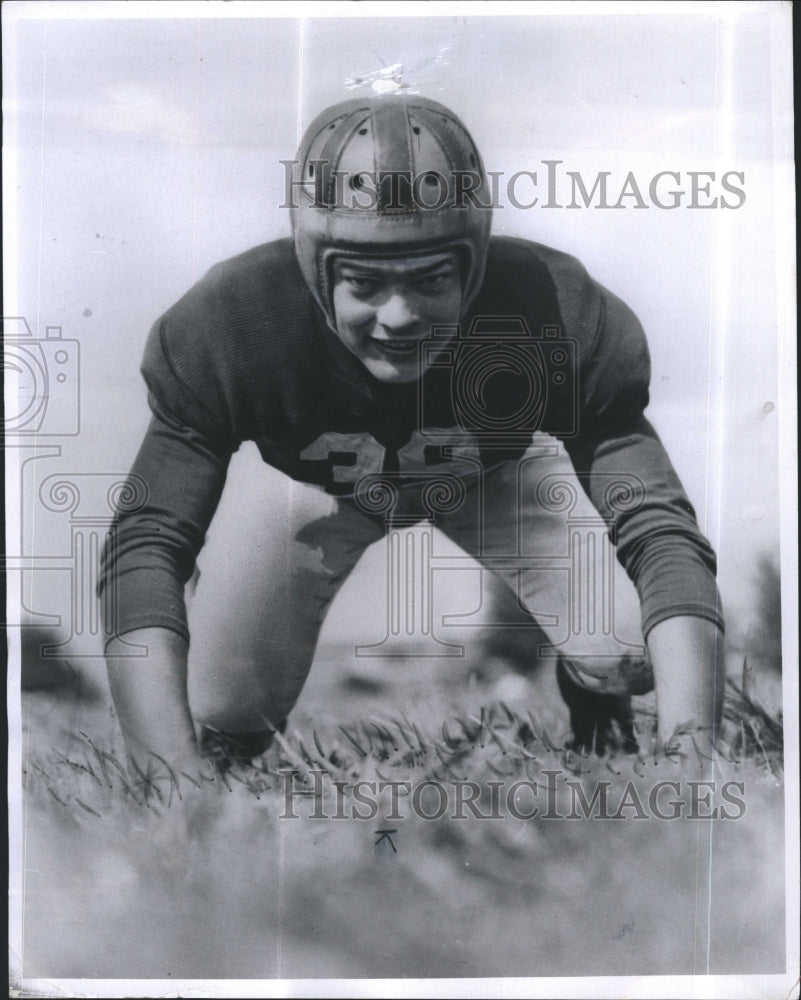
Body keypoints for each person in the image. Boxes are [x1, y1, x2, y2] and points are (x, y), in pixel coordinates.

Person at [99, 95, 725, 779]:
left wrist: (692, 757)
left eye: (430, 279)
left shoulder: (550, 308)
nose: (399, 317)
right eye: (364, 283)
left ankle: (597, 705)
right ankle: (232, 745)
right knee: (220, 704)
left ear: (473, 262)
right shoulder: (232, 325)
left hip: (494, 477)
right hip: (317, 487)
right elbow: (145, 543)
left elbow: (657, 528)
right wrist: (167, 779)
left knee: (628, 640)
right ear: (315, 268)